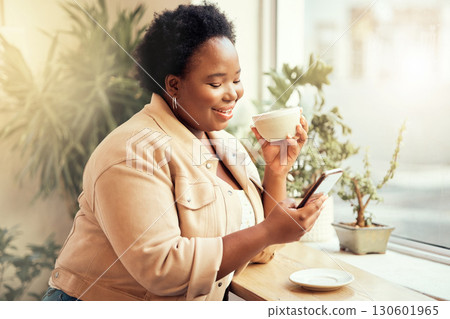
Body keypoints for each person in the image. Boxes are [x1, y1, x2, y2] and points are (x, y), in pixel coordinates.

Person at [42, 3, 327, 301]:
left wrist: (276, 171)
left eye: (237, 79)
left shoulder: (226, 144)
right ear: (174, 85)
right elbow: (163, 269)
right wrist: (269, 231)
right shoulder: (130, 152)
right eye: (216, 83)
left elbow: (261, 248)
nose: (233, 93)